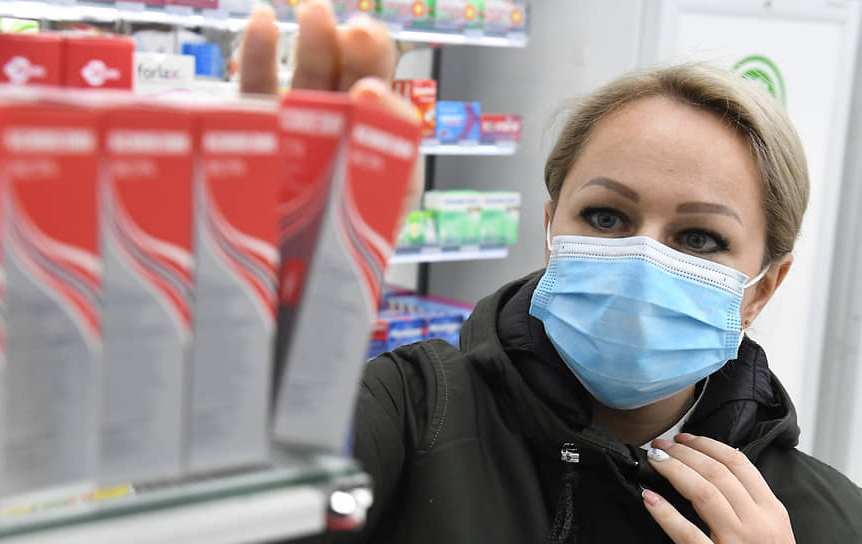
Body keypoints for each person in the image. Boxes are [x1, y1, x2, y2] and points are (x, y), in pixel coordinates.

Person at [238, 2, 862, 542]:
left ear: (763, 287)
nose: (641, 259)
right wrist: (263, 334)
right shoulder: (409, 413)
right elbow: (252, 510)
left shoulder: (827, 519)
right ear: (550, 229)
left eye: (699, 238)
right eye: (606, 217)